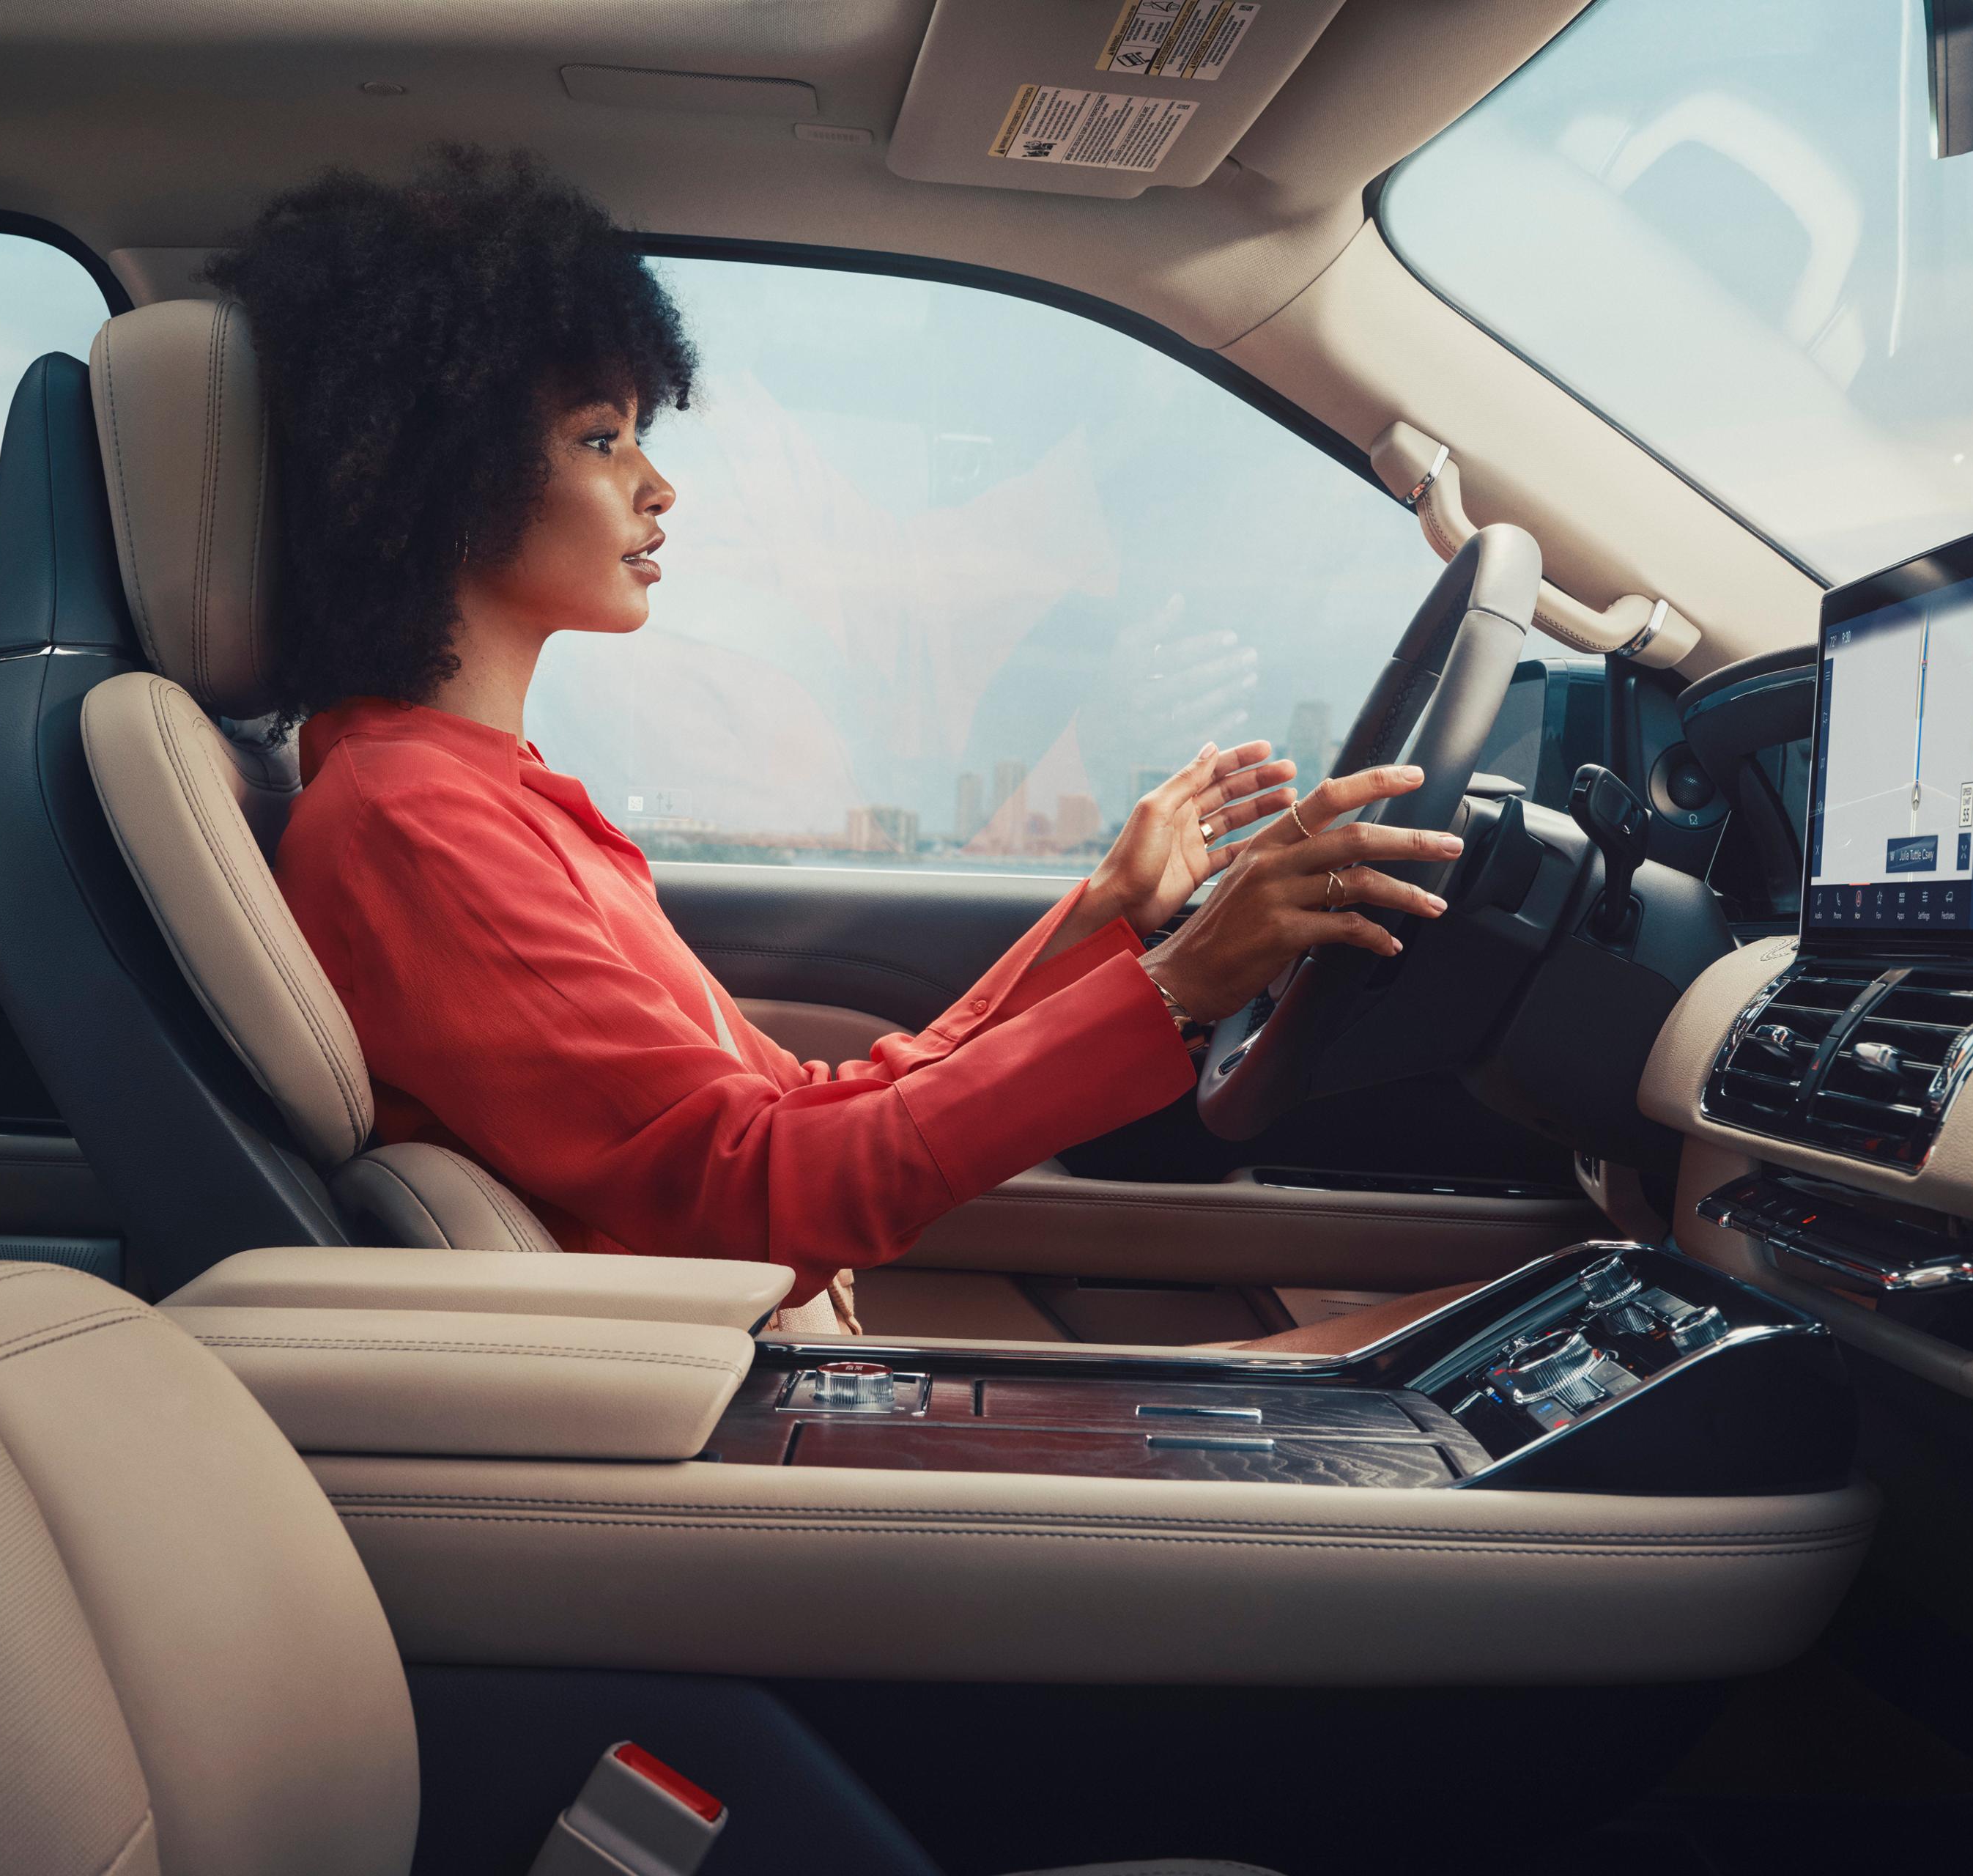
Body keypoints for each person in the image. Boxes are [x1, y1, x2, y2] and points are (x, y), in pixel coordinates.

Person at [231, 152, 1465, 1336]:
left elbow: (805, 1107)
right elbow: (774, 1183)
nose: (660, 488)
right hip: (696, 1412)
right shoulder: (415, 827)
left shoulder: (484, 798)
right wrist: (1184, 984)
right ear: (435, 477)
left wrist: (1106, 919)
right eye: (601, 439)